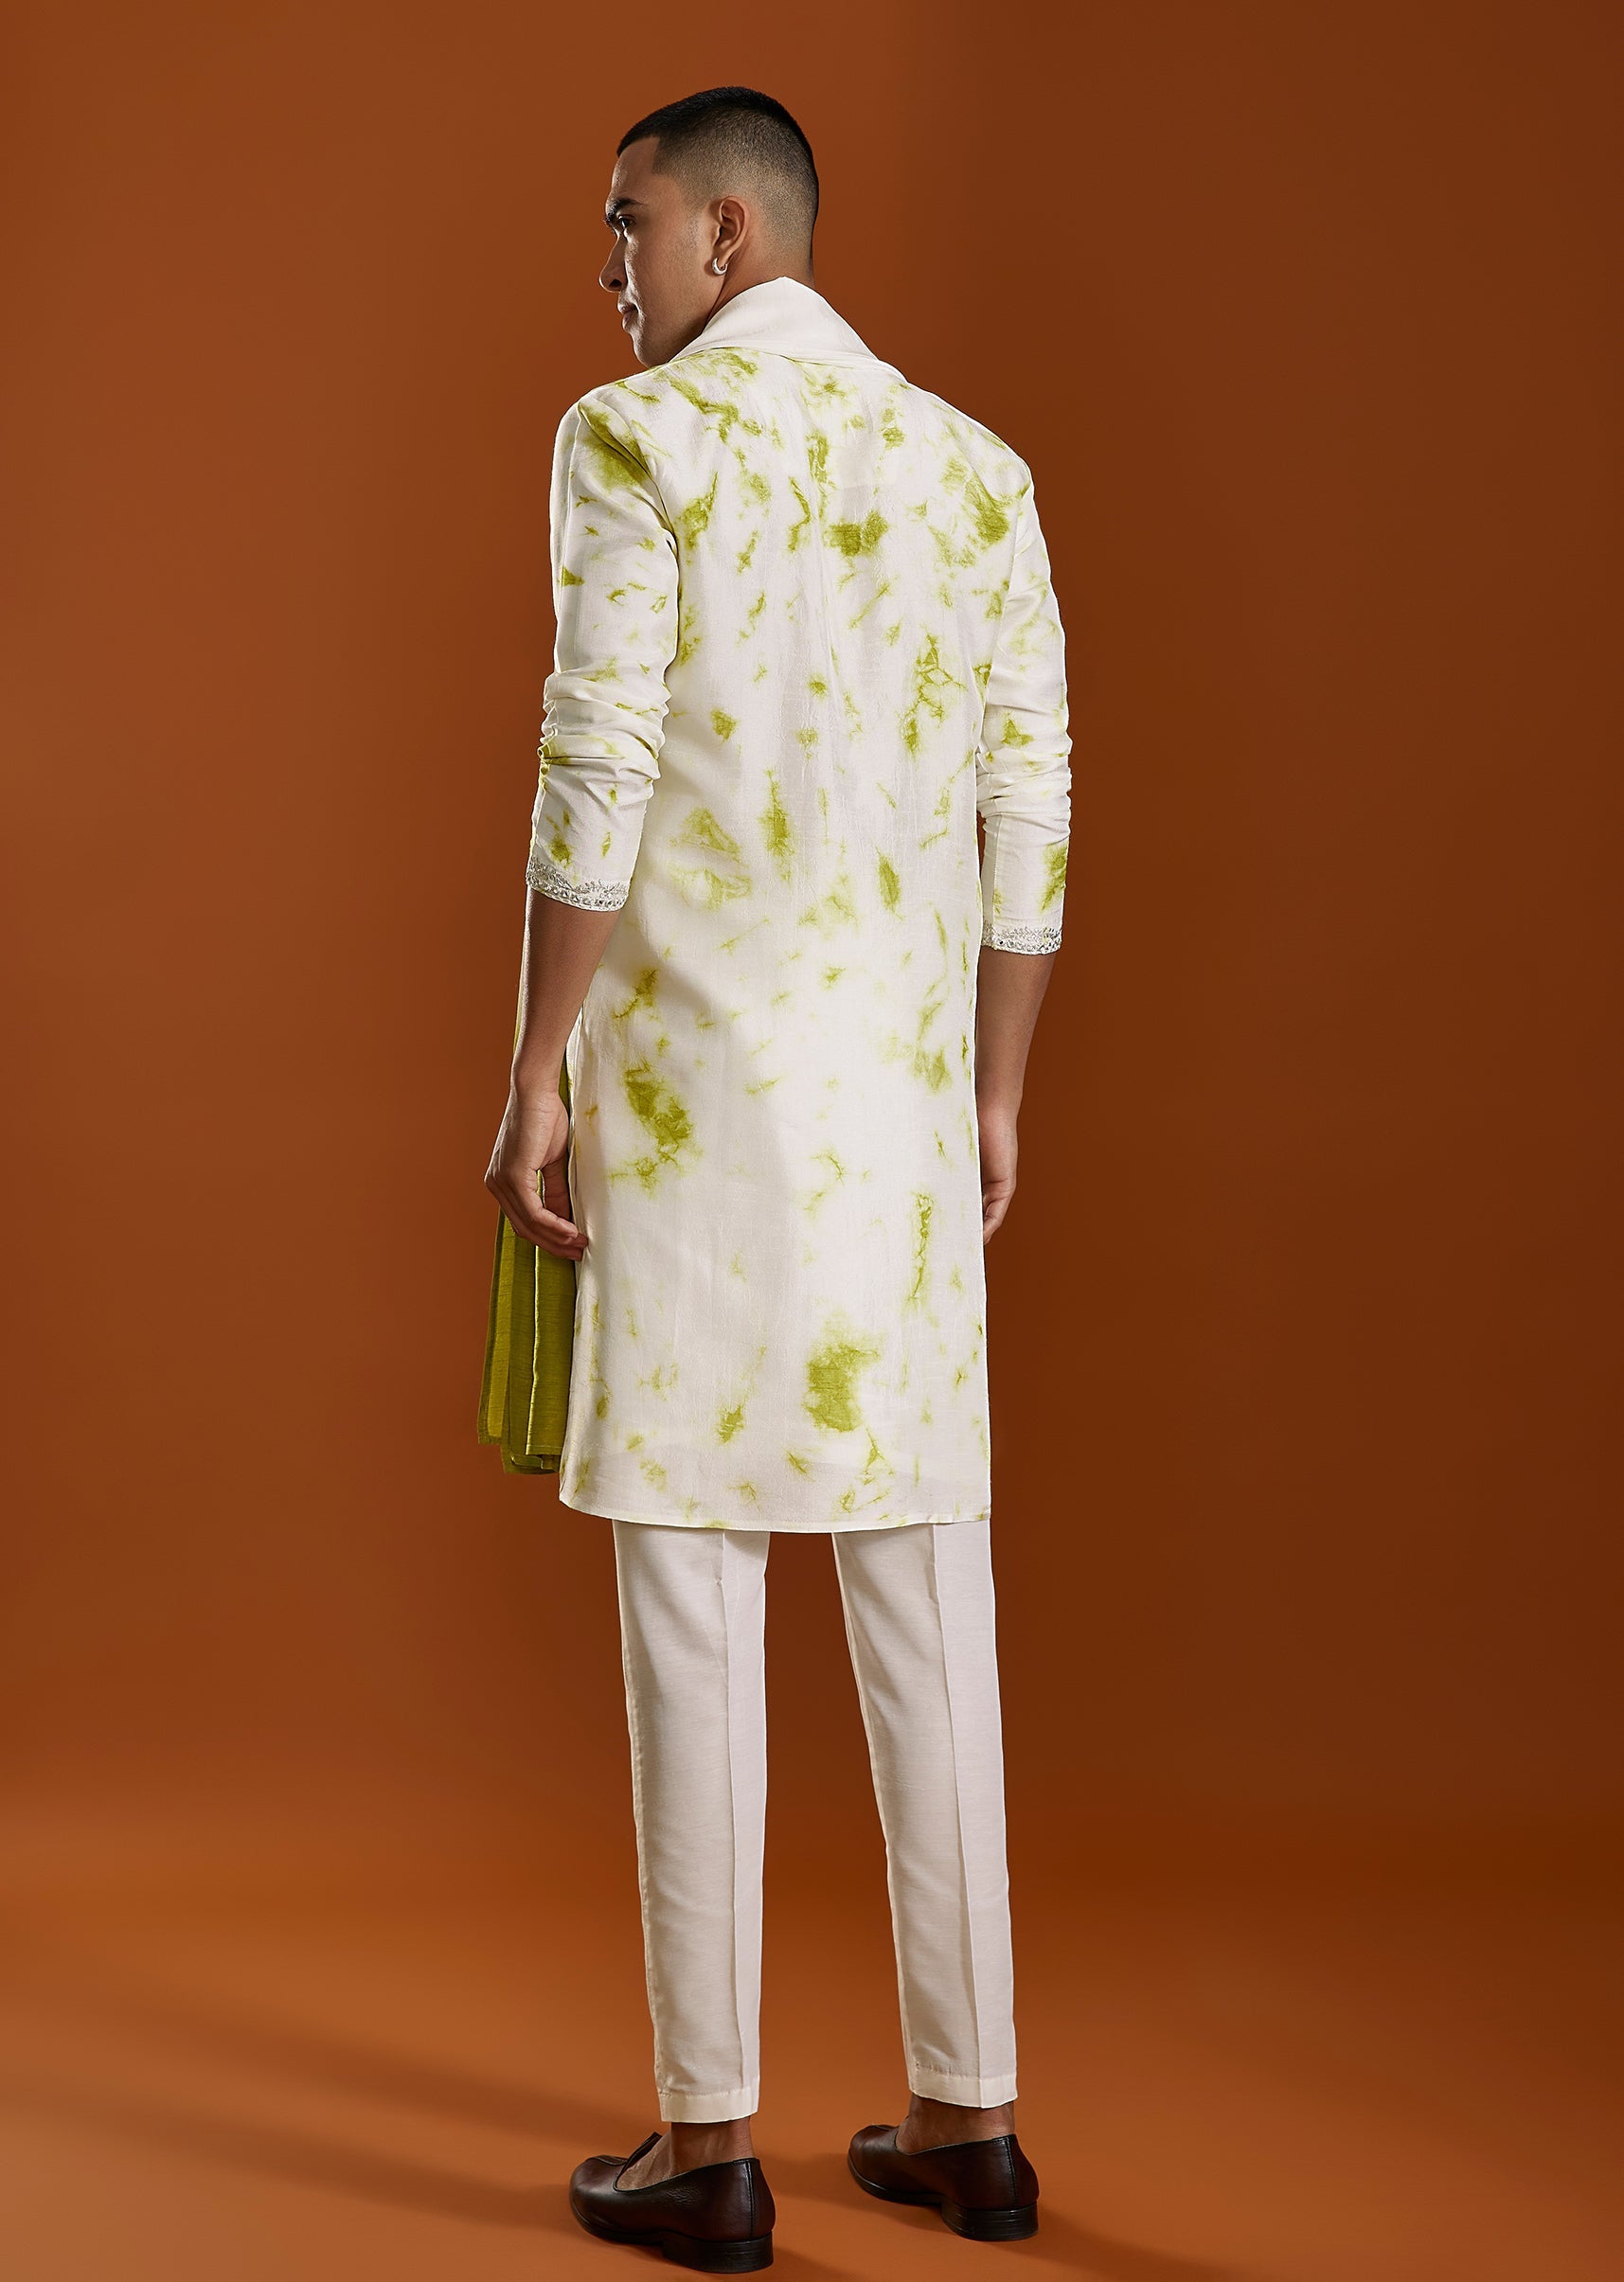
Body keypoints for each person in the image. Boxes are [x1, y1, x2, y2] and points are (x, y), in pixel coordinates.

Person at [484, 84, 1069, 2273]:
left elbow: (595, 768)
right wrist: (995, 1093)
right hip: (901, 1125)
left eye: (627, 225)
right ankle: (974, 2120)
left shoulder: (636, 443)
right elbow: (1034, 803)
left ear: (727, 233)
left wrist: (533, 1068)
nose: (609, 268)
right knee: (931, 1602)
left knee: (696, 1599)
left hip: (693, 1109)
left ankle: (709, 2139)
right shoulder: (976, 467)